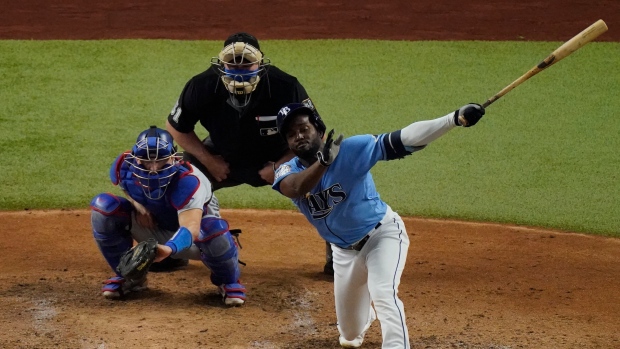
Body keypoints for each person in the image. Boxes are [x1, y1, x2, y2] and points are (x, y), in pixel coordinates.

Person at [272, 102, 485, 348]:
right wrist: (323, 162)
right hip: (343, 253)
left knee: (384, 293)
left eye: (303, 128)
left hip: (381, 236)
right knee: (350, 335)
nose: (298, 136)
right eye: (290, 134)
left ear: (319, 130)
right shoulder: (287, 171)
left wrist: (453, 118)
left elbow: (404, 138)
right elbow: (297, 188)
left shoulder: (351, 149)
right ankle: (363, 318)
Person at [165, 32, 335, 275]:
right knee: (177, 178)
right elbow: (176, 127)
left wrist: (281, 165)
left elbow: (316, 133)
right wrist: (209, 161)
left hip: (278, 156)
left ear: (260, 64)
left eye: (247, 63)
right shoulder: (201, 85)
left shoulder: (284, 86)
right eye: (232, 63)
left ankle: (337, 255)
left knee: (323, 169)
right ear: (221, 64)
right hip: (223, 155)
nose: (239, 69)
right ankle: (173, 252)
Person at [90, 126, 246, 306]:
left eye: (161, 160)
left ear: (173, 158)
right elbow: (127, 189)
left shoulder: (189, 180)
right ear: (135, 158)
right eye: (146, 161)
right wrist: (139, 207)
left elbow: (191, 228)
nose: (154, 168)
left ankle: (228, 280)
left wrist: (170, 249)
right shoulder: (124, 167)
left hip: (197, 240)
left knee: (214, 230)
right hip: (154, 227)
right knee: (104, 208)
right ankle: (130, 277)